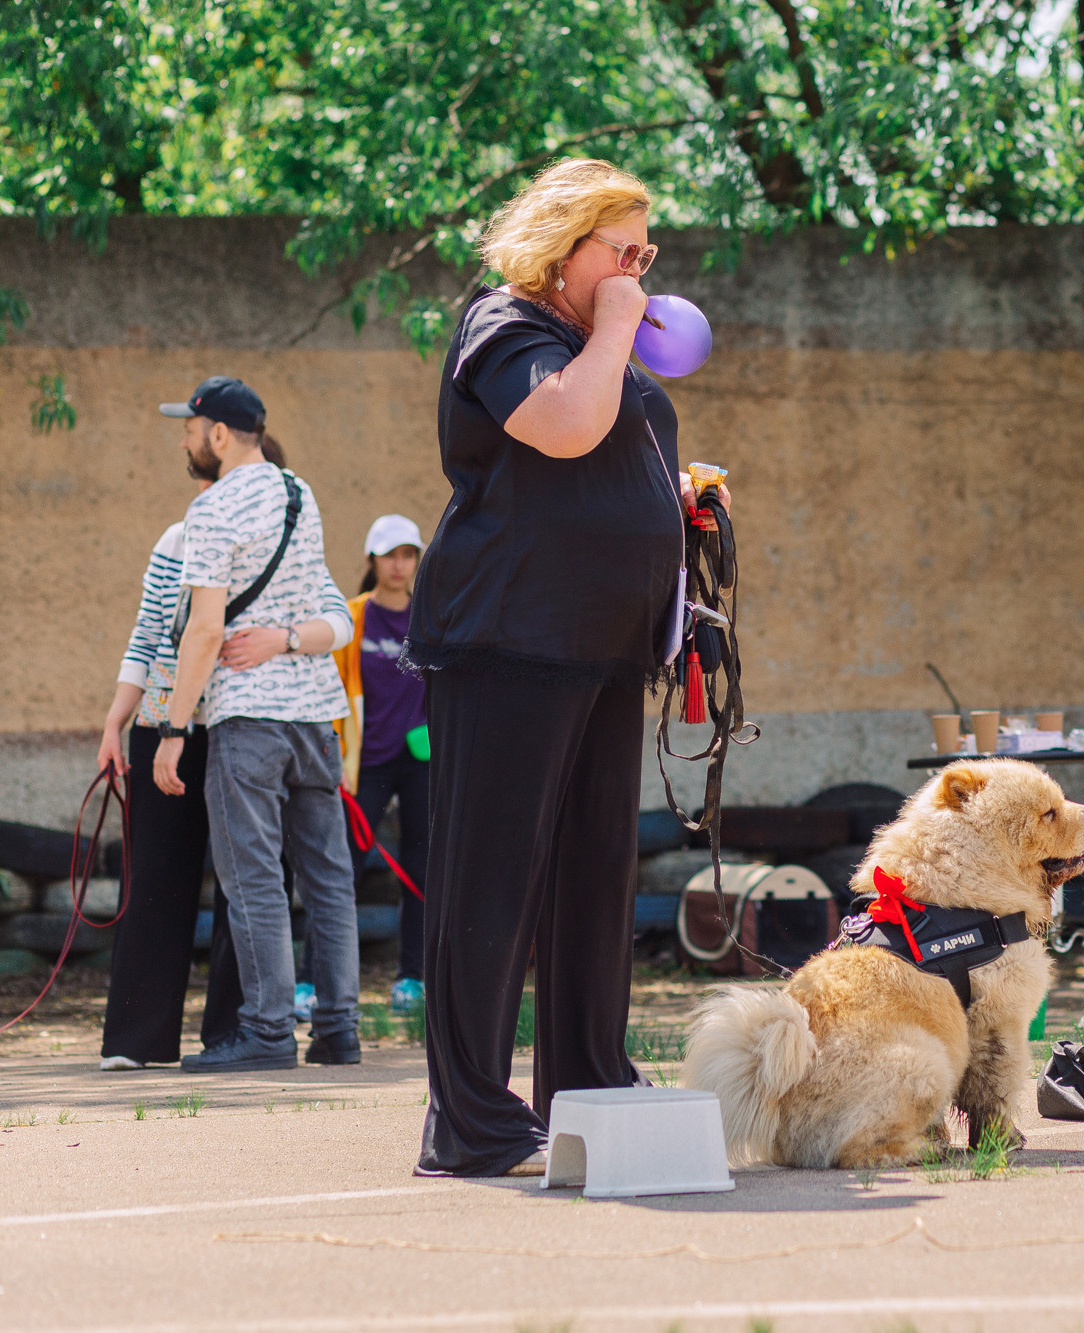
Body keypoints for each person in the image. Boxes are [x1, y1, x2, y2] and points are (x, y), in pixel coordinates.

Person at [404, 158, 728, 1176]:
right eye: (622, 250)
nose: (640, 268)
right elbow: (565, 425)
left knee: (592, 878)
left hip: (602, 645)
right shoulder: (506, 326)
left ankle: (587, 1084)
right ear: (563, 244)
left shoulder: (597, 346)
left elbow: (606, 447)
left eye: (648, 251)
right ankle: (470, 1119)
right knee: (491, 883)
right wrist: (621, 324)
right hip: (508, 638)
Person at [152, 375, 360, 1073]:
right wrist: (289, 638)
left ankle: (269, 1031)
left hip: (249, 718)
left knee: (255, 880)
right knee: (329, 880)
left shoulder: (211, 509)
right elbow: (332, 610)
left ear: (217, 433)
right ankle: (338, 1028)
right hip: (314, 717)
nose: (184, 438)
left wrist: (173, 729)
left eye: (189, 427)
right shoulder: (302, 493)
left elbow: (205, 630)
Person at [95, 433, 292, 1069]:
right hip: (161, 722)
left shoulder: (288, 548)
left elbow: (312, 627)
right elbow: (148, 633)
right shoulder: (176, 540)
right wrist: (114, 722)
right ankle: (135, 1040)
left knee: (250, 879)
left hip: (245, 724)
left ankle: (237, 1034)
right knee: (154, 876)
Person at [328, 514, 431, 1017]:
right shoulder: (351, 617)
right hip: (361, 765)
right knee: (338, 870)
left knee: (422, 871)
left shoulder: (428, 617)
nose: (399, 564)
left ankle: (412, 978)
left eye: (408, 554)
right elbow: (330, 689)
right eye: (390, 554)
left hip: (418, 763)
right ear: (372, 559)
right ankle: (318, 981)